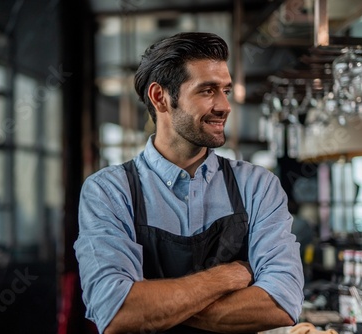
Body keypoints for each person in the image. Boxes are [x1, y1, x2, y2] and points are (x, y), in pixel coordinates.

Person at [74, 32, 304, 334]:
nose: (225, 105)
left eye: (225, 90)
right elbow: (117, 311)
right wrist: (225, 278)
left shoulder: (258, 186)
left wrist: (156, 305)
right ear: (160, 97)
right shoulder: (108, 191)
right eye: (207, 91)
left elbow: (281, 303)